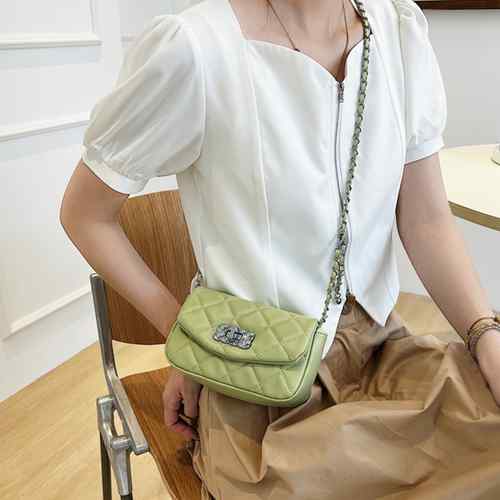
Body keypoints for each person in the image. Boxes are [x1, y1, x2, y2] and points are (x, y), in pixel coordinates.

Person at [60, 0, 500, 498]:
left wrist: (485, 336)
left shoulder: (398, 33)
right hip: (259, 388)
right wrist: (189, 339)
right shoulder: (197, 49)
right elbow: (85, 214)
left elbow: (426, 221)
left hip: (384, 353)